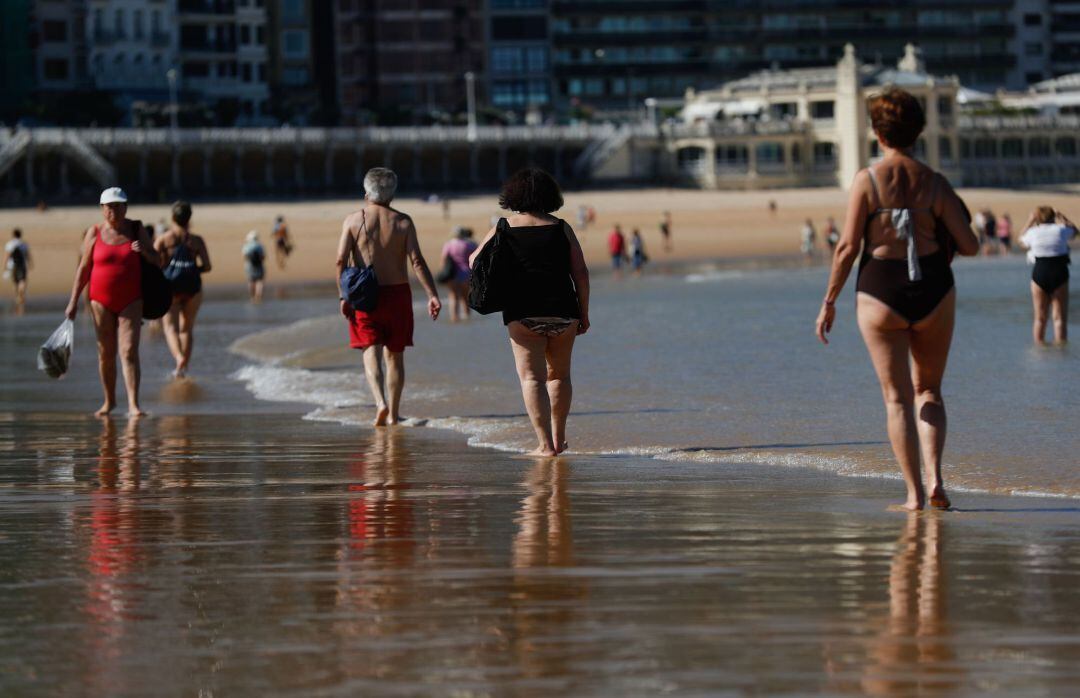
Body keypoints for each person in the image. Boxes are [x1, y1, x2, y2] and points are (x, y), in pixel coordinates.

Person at [815, 88, 979, 511]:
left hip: (880, 291)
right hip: (934, 289)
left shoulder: (867, 181)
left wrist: (829, 300)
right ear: (919, 131)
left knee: (896, 398)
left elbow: (847, 248)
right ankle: (936, 480)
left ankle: (912, 495)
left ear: (878, 132)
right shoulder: (935, 183)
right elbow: (971, 245)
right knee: (930, 391)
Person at [470, 168, 589, 457]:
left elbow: (474, 259)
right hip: (563, 311)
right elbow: (581, 274)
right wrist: (583, 314)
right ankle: (559, 440)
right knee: (560, 376)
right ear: (550, 195)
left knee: (532, 379)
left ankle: (545, 445)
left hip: (522, 312)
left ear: (513, 195)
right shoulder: (561, 228)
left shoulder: (504, 227)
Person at [336, 167, 442, 427]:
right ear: (392, 195)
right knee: (395, 355)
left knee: (370, 349)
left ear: (366, 193)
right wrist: (432, 294)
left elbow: (340, 260)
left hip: (365, 294)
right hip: (398, 295)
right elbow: (417, 261)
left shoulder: (352, 221)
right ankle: (394, 414)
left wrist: (343, 296)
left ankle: (380, 402)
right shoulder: (403, 222)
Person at [65, 187, 161, 417]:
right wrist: (73, 301)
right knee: (106, 353)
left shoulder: (136, 229)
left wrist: (144, 252)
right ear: (102, 208)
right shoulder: (94, 232)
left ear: (126, 207)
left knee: (128, 351)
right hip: (100, 300)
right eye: (109, 206)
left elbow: (157, 260)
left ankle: (133, 404)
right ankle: (109, 402)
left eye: (118, 206)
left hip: (131, 299)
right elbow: (84, 268)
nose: (114, 211)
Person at [154, 201, 211, 378]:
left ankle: (178, 358)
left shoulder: (164, 239)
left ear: (173, 218)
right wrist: (192, 270)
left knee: (170, 327)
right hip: (193, 288)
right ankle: (183, 367)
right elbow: (207, 266)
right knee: (186, 329)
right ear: (189, 218)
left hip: (170, 287)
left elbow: (153, 263)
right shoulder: (197, 240)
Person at [1019, 206, 1076, 345]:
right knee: (1059, 318)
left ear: (1038, 218)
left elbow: (1021, 241)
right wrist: (1062, 217)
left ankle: (1039, 348)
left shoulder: (1033, 232)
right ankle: (1060, 348)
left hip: (1040, 273)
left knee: (1040, 317)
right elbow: (1075, 231)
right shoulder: (1061, 230)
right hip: (1059, 272)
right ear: (1053, 217)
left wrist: (1030, 221)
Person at [440, 226, 478, 322]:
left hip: (452, 275)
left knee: (453, 296)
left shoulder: (448, 244)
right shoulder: (469, 244)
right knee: (465, 297)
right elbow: (476, 257)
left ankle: (454, 317)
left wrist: (444, 272)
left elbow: (443, 259)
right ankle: (467, 316)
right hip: (466, 273)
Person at [5, 228, 31, 310]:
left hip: (13, 266)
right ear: (20, 235)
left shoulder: (10, 244)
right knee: (22, 280)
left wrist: (5, 266)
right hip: (22, 265)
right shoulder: (24, 244)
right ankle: (21, 292)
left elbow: (8, 256)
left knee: (15, 281)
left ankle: (17, 296)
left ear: (13, 235)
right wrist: (30, 263)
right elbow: (27, 255)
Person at [242, 230, 266, 303]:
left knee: (251, 281)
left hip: (249, 266)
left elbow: (244, 257)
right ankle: (258, 297)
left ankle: (252, 297)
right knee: (259, 281)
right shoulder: (260, 246)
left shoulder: (246, 246)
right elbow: (263, 257)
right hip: (259, 265)